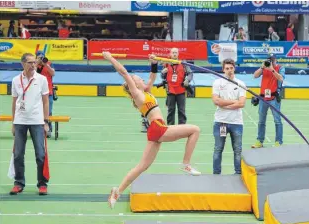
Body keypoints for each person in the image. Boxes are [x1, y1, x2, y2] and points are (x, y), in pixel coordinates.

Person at [102, 51, 201, 209]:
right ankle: (186, 164)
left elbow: (152, 77)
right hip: (159, 128)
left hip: (155, 130)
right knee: (195, 130)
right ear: (133, 85)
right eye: (137, 79)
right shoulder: (138, 95)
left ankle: (117, 191)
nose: (140, 79)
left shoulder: (145, 92)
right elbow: (123, 72)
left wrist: (153, 63)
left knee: (142, 167)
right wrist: (110, 58)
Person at [10, 53, 50, 195]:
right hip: (20, 121)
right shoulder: (15, 80)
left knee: (40, 154)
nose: (33, 65)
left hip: (37, 121)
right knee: (18, 154)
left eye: (34, 62)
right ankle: (19, 182)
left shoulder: (42, 79)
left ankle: (42, 183)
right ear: (23, 64)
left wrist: (46, 121)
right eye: (30, 62)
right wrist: (13, 123)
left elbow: (46, 101)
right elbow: (14, 102)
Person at [212, 59, 246, 175]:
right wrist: (233, 102)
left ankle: (238, 174)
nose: (229, 71)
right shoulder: (217, 83)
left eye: (231, 68)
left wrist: (224, 103)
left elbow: (241, 103)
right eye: (227, 68)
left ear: (234, 68)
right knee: (218, 149)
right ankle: (216, 174)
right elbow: (216, 101)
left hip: (236, 122)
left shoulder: (241, 84)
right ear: (223, 70)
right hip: (220, 122)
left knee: (237, 150)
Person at [252, 54, 285, 148]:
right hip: (263, 98)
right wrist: (262, 67)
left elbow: (281, 79)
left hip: (274, 98)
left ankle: (278, 142)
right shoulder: (264, 68)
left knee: (277, 121)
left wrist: (272, 69)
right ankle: (259, 141)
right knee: (261, 121)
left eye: (272, 60)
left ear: (275, 60)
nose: (270, 62)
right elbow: (255, 75)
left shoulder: (280, 68)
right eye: (269, 60)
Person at [161, 48, 193, 125]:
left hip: (181, 91)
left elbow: (190, 73)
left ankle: (182, 127)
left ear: (178, 54)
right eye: (173, 52)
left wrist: (187, 80)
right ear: (170, 54)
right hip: (170, 91)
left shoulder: (183, 63)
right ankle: (170, 127)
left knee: (181, 110)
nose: (174, 54)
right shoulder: (166, 64)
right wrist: (162, 73)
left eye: (176, 52)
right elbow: (162, 77)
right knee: (170, 110)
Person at [36, 51, 55, 138]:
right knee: (37, 112)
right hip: (37, 92)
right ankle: (38, 130)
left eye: (42, 57)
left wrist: (46, 64)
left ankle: (49, 129)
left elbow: (53, 73)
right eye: (39, 57)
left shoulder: (49, 63)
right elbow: (33, 74)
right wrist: (36, 63)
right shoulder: (34, 65)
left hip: (49, 92)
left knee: (49, 112)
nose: (41, 59)